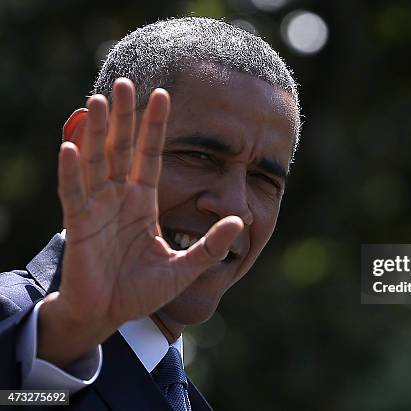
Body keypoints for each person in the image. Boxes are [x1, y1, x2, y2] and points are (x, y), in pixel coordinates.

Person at [0, 16, 301, 410]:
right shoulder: (22, 339)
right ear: (92, 146)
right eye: (200, 157)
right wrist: (64, 339)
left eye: (263, 179)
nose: (234, 207)